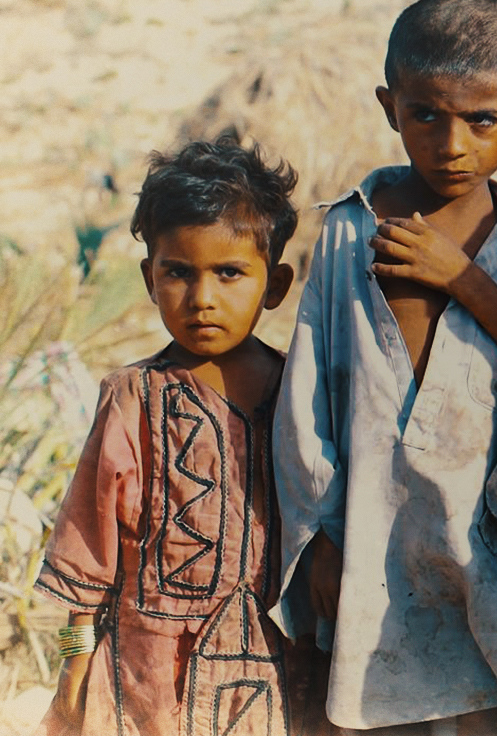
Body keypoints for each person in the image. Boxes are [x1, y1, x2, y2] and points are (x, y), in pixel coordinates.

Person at [274, 0, 497, 736]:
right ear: (390, 107)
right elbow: (307, 397)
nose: (452, 143)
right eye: (426, 115)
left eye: (482, 121)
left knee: (492, 705)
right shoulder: (350, 231)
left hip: (487, 543)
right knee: (373, 704)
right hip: (367, 534)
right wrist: (319, 536)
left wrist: (465, 281)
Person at [37, 137, 300, 736]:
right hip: (149, 679)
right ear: (149, 280)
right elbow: (87, 558)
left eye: (229, 273)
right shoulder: (130, 397)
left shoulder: (304, 393)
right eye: (178, 272)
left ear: (276, 285)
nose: (202, 299)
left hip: (280, 671)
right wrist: (71, 682)